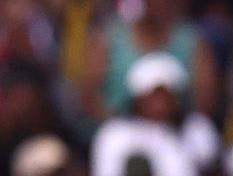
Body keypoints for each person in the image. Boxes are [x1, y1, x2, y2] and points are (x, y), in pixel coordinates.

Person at [91, 52, 219, 176]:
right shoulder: (115, 133)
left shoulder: (196, 127)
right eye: (154, 94)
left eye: (167, 94)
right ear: (138, 96)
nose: (161, 102)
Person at [81, 0, 217, 120]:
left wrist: (180, 130)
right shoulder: (110, 38)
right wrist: (121, 127)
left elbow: (206, 101)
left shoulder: (191, 41)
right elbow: (88, 95)